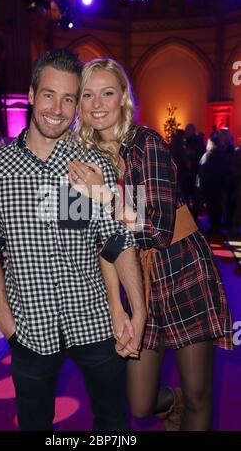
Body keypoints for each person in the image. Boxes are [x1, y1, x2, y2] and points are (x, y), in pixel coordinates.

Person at [0, 49, 147, 431]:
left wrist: (136, 309)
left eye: (69, 98)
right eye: (49, 94)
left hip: (94, 320)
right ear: (31, 94)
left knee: (113, 424)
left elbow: (118, 240)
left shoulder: (92, 163)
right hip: (30, 326)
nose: (58, 108)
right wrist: (5, 320)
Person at [68, 58, 233, 431]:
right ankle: (170, 402)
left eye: (107, 93)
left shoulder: (146, 143)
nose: (97, 103)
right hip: (134, 281)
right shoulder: (81, 159)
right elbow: (89, 239)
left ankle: (186, 406)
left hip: (181, 267)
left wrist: (105, 196)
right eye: (88, 95)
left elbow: (158, 230)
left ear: (123, 97)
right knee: (140, 404)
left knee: (198, 395)